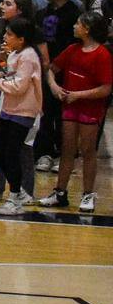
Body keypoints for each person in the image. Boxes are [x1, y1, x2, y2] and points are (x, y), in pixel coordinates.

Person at [42, 11, 110, 211]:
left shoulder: (102, 55)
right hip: (70, 107)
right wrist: (54, 87)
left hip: (89, 109)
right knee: (67, 149)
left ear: (87, 29)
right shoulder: (72, 49)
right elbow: (51, 69)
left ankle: (88, 194)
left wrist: (79, 95)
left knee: (88, 151)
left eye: (78, 24)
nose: (74, 26)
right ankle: (60, 192)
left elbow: (106, 88)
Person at [0, 16, 42, 214]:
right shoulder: (14, 54)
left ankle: (15, 196)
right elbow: (14, 76)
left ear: (21, 39)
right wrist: (4, 75)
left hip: (24, 111)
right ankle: (18, 191)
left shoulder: (28, 56)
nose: (5, 36)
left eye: (10, 34)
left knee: (11, 153)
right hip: (10, 109)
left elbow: (20, 86)